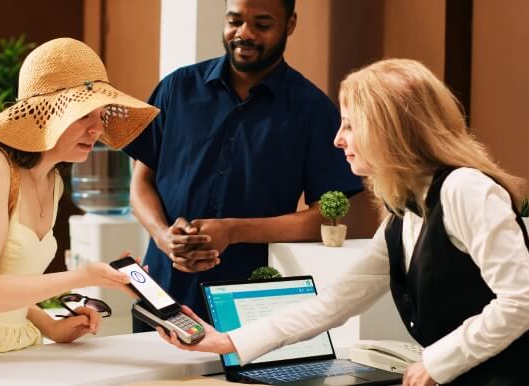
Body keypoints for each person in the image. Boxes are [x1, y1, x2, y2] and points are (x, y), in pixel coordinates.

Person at [157, 58, 529, 386]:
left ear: (390, 128)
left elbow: (522, 300)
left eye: (350, 124)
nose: (338, 140)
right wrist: (228, 341)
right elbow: (336, 302)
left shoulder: (466, 189)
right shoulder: (403, 209)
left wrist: (437, 361)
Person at [123, 0, 362, 326]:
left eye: (262, 25)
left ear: (290, 24)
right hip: (162, 292)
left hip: (250, 304)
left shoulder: (313, 109)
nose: (244, 34)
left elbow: (325, 218)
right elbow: (141, 181)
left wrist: (234, 230)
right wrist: (164, 236)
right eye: (235, 21)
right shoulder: (176, 88)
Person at [0, 37, 159, 357]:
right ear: (48, 114)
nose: (97, 129)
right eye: (84, 115)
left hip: (19, 349)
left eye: (102, 115)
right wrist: (84, 276)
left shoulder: (52, 182)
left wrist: (49, 325)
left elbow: (8, 282)